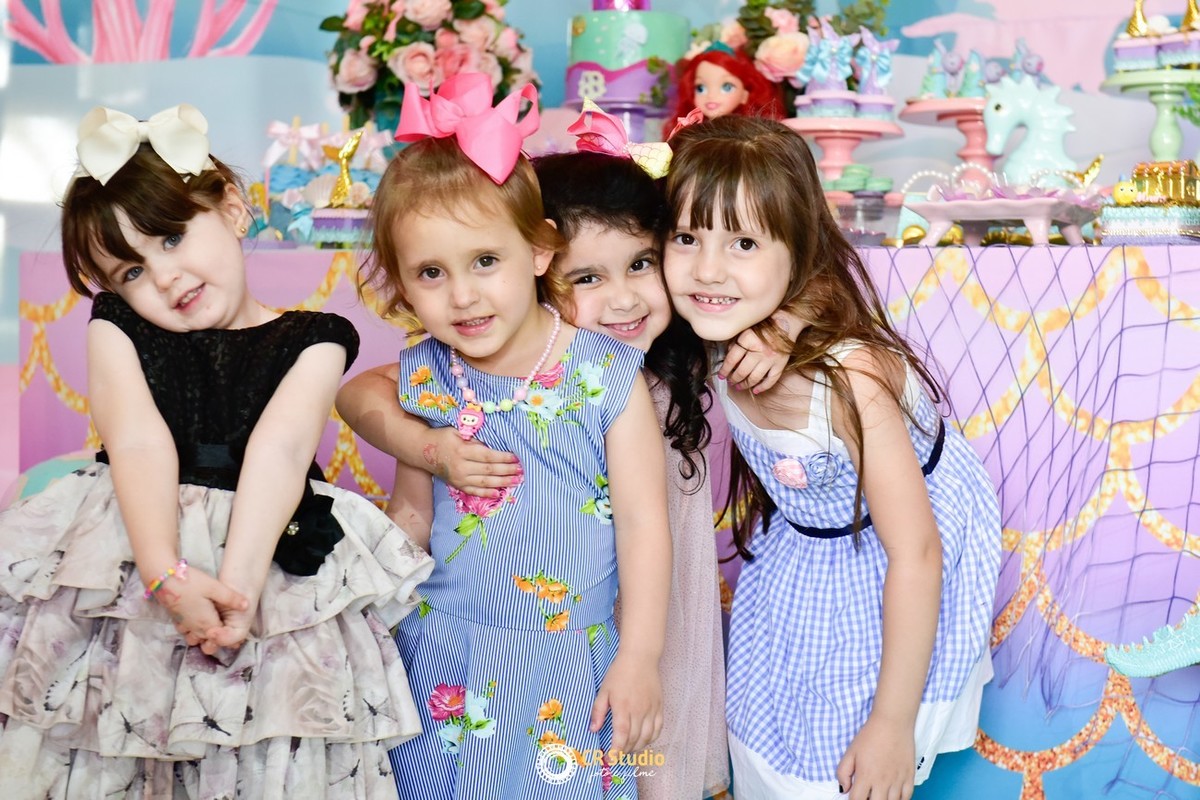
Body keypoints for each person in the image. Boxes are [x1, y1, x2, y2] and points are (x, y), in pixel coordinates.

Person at [0, 104, 434, 797]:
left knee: (262, 742)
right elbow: (138, 441)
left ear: (231, 208)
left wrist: (237, 594)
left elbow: (280, 452)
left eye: (171, 238)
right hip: (137, 546)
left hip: (264, 550)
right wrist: (164, 575)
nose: (163, 277)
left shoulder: (316, 337)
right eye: (131, 271)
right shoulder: (116, 325)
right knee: (112, 733)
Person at [347, 74, 672, 799]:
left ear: (539, 251)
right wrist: (370, 624)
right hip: (441, 655)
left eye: (485, 262)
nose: (463, 295)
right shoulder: (429, 376)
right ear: (401, 284)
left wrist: (640, 657)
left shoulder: (606, 375)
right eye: (431, 273)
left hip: (567, 664)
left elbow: (644, 527)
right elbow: (411, 514)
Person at [660, 114, 1003, 800]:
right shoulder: (710, 331)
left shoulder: (850, 380)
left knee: (851, 764)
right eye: (686, 237)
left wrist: (892, 725)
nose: (707, 269)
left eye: (743, 242)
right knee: (766, 746)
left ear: (797, 251)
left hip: (903, 556)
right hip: (806, 553)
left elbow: (918, 554)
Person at [673, 44, 785, 122]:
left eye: (726, 87)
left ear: (744, 95)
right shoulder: (692, 131)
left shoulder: (746, 131)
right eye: (700, 88)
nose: (711, 96)